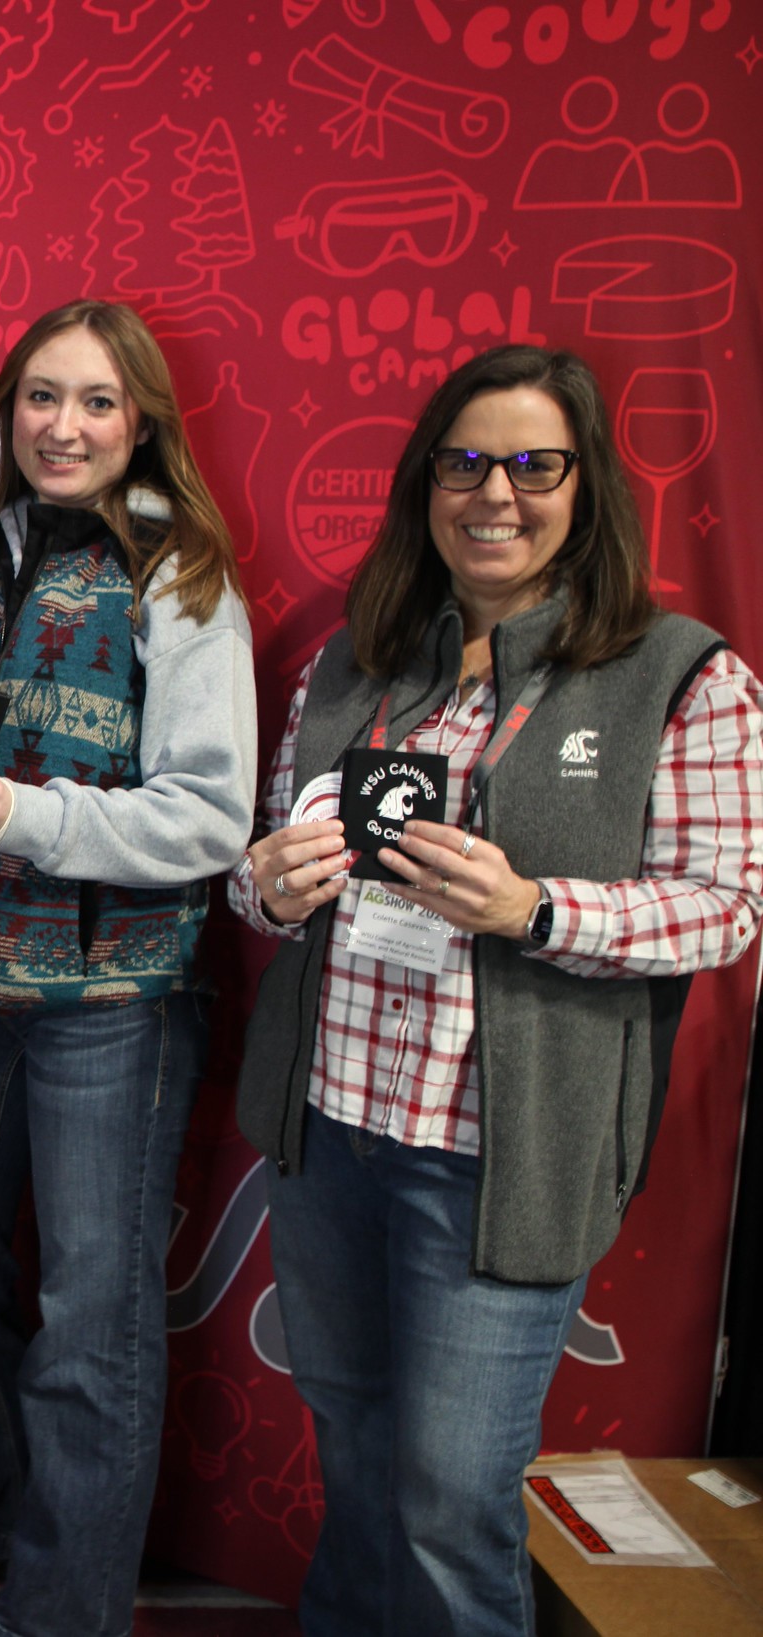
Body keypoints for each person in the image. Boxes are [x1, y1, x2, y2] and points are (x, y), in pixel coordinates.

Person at [230, 344, 763, 1636]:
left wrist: (533, 909)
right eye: (464, 463)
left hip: (497, 1152)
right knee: (352, 1449)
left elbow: (728, 904)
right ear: (425, 483)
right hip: (331, 1132)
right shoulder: (354, 662)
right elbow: (258, 875)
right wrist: (268, 883)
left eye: (534, 465)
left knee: (451, 1498)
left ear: (585, 487)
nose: (495, 495)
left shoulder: (681, 675)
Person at [0, 300, 255, 1636]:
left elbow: (210, 818)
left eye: (94, 400)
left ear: (141, 423)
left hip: (111, 1006)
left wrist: (26, 818)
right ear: (4, 413)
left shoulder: (179, 576)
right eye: (39, 396)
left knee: (90, 1321)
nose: (62, 426)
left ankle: (62, 1609)